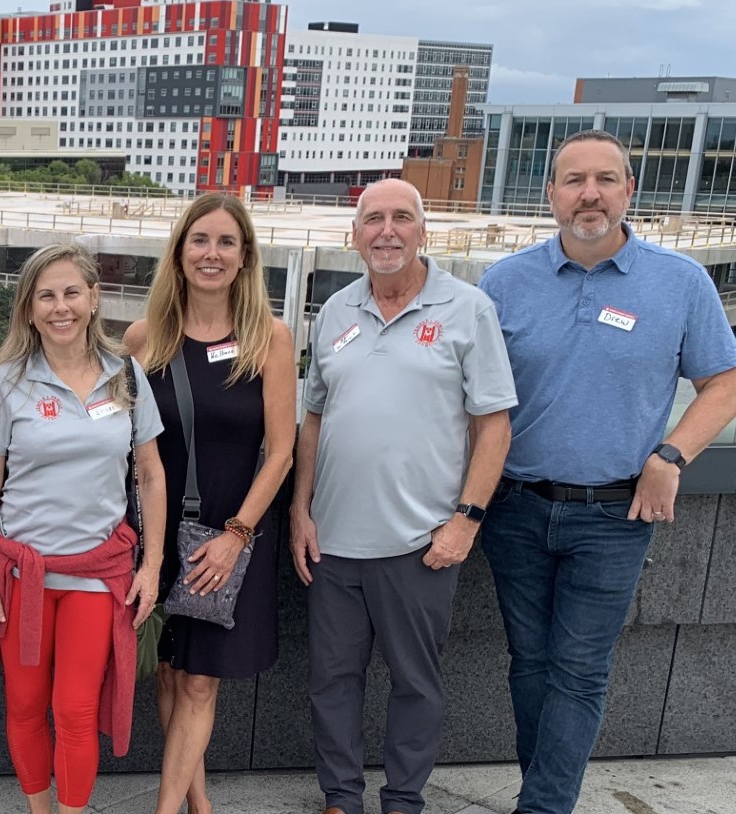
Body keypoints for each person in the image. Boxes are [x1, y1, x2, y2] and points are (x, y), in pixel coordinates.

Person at [476, 130, 736, 814]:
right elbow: (465, 397)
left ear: (628, 190)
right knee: (529, 665)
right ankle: (545, 795)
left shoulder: (678, 283)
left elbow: (723, 382)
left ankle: (542, 807)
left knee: (580, 671)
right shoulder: (502, 283)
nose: (588, 193)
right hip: (514, 508)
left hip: (616, 516)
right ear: (550, 195)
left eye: (603, 179)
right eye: (572, 180)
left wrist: (670, 455)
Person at [290, 179, 517, 814]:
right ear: (355, 234)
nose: (386, 231)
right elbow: (313, 417)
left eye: (401, 219)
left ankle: (404, 801)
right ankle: (340, 798)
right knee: (331, 682)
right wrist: (299, 510)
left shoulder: (468, 308)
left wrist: (466, 521)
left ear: (423, 232)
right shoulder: (334, 310)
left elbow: (493, 424)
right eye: (373, 220)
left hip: (421, 543)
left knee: (416, 683)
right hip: (333, 542)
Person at [0, 243, 165, 814]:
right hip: (21, 576)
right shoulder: (6, 383)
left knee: (76, 710)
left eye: (71, 292)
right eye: (45, 296)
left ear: (94, 298)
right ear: (28, 308)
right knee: (26, 706)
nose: (60, 307)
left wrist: (150, 568)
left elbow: (150, 474)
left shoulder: (126, 374)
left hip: (96, 575)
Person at [122, 192, 296, 814]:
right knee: (171, 672)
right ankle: (200, 803)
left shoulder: (269, 339)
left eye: (226, 242)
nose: (212, 254)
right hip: (161, 533)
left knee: (200, 680)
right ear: (179, 252)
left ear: (245, 256)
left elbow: (281, 451)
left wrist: (238, 533)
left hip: (233, 535)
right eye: (200, 240)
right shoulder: (145, 338)